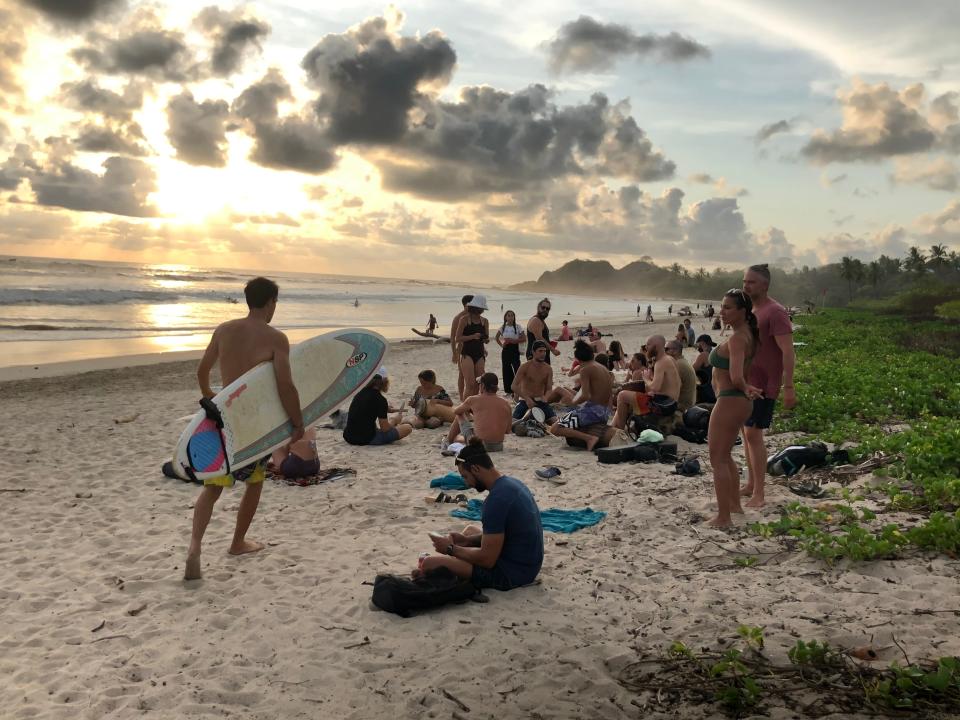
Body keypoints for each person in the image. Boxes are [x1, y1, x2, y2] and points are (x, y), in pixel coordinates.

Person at [185, 277, 304, 581]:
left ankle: (195, 547)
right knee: (254, 482)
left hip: (223, 418)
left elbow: (202, 371)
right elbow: (285, 385)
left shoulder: (224, 330)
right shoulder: (276, 338)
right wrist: (297, 421)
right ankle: (237, 543)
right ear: (270, 303)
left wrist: (210, 395)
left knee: (212, 488)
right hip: (252, 424)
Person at [418, 438, 544, 590]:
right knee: (470, 531)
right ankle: (460, 553)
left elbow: (487, 560)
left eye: (465, 476)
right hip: (529, 564)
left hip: (511, 575)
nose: (466, 483)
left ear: (476, 469)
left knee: (429, 564)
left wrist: (450, 549)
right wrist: (468, 541)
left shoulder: (496, 500)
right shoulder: (512, 483)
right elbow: (510, 533)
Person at [740, 264, 797, 508]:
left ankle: (760, 494)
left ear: (764, 284)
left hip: (766, 383)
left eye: (751, 282)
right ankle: (751, 483)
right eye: (745, 281)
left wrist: (789, 386)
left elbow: (788, 351)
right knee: (746, 433)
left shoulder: (775, 312)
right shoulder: (751, 309)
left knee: (754, 434)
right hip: (747, 382)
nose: (746, 285)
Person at [707, 289, 763, 527]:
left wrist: (747, 387)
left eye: (728, 307)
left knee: (717, 460)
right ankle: (733, 506)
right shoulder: (747, 334)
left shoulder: (738, 338)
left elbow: (737, 376)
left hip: (730, 400)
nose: (723, 311)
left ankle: (723, 518)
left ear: (743, 311)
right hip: (737, 401)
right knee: (725, 456)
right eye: (722, 306)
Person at [549, 340, 614, 451]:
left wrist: (573, 403)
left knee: (555, 428)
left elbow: (585, 395)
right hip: (605, 413)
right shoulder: (603, 368)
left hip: (592, 413)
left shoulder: (585, 370)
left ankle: (589, 438)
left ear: (578, 360)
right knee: (570, 415)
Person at [612, 335, 680, 429]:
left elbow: (655, 387)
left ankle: (619, 431)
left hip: (663, 405)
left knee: (622, 395)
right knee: (628, 396)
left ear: (656, 346)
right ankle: (614, 428)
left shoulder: (661, 363)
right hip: (671, 402)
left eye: (648, 345)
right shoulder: (669, 359)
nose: (646, 347)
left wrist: (646, 378)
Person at [443, 373, 513, 452]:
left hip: (479, 445)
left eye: (479, 384)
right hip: (498, 446)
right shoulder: (506, 403)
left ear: (482, 386)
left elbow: (456, 411)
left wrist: (470, 411)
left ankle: (449, 440)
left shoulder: (473, 400)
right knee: (471, 432)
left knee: (460, 414)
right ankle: (454, 438)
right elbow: (508, 430)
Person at [343, 369, 413, 446]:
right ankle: (394, 420)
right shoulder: (380, 399)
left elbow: (366, 408)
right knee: (407, 427)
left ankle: (393, 421)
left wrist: (385, 409)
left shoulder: (360, 392)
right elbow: (385, 428)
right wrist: (396, 420)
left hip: (348, 436)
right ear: (384, 382)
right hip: (366, 439)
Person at [511, 341, 557, 426]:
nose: (543, 354)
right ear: (533, 352)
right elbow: (514, 386)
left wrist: (546, 397)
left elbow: (549, 388)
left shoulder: (548, 369)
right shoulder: (525, 366)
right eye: (540, 351)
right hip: (525, 401)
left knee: (556, 422)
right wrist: (527, 398)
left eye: (544, 351)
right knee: (513, 424)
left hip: (541, 401)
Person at [456, 294, 490, 398]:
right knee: (470, 384)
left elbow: (487, 339)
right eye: (479, 308)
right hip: (467, 353)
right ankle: (465, 409)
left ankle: (472, 407)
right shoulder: (464, 319)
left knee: (478, 383)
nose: (480, 310)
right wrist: (473, 336)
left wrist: (485, 339)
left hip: (480, 353)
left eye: (482, 308)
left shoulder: (485, 321)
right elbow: (458, 338)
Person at [495, 310, 524, 396]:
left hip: (515, 349)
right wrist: (501, 345)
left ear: (514, 317)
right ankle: (509, 390)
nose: (510, 317)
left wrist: (513, 341)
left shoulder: (518, 327)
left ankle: (519, 387)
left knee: (517, 368)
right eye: (508, 315)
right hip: (506, 350)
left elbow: (524, 338)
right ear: (505, 317)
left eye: (512, 316)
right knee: (506, 369)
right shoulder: (503, 327)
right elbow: (496, 338)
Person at [450, 294, 473, 399]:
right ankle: (461, 397)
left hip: (475, 348)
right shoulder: (458, 318)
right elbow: (453, 337)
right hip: (462, 349)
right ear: (466, 304)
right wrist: (454, 353)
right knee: (462, 374)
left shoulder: (474, 316)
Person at [665, 339, 697, 412]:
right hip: (689, 404)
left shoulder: (677, 365)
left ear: (674, 351)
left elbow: (672, 390)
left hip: (683, 407)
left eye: (666, 349)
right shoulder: (682, 361)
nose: (664, 352)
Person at [526, 298, 560, 364]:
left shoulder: (540, 320)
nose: (545, 310)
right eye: (543, 307)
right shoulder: (536, 320)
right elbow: (539, 339)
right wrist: (553, 350)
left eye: (547, 309)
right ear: (538, 307)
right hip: (536, 355)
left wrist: (549, 342)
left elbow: (541, 337)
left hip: (541, 354)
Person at [693, 334, 717, 404]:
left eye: (698, 345)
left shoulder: (704, 355)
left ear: (702, 343)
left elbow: (691, 371)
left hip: (706, 392)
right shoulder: (714, 354)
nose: (697, 348)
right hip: (715, 391)